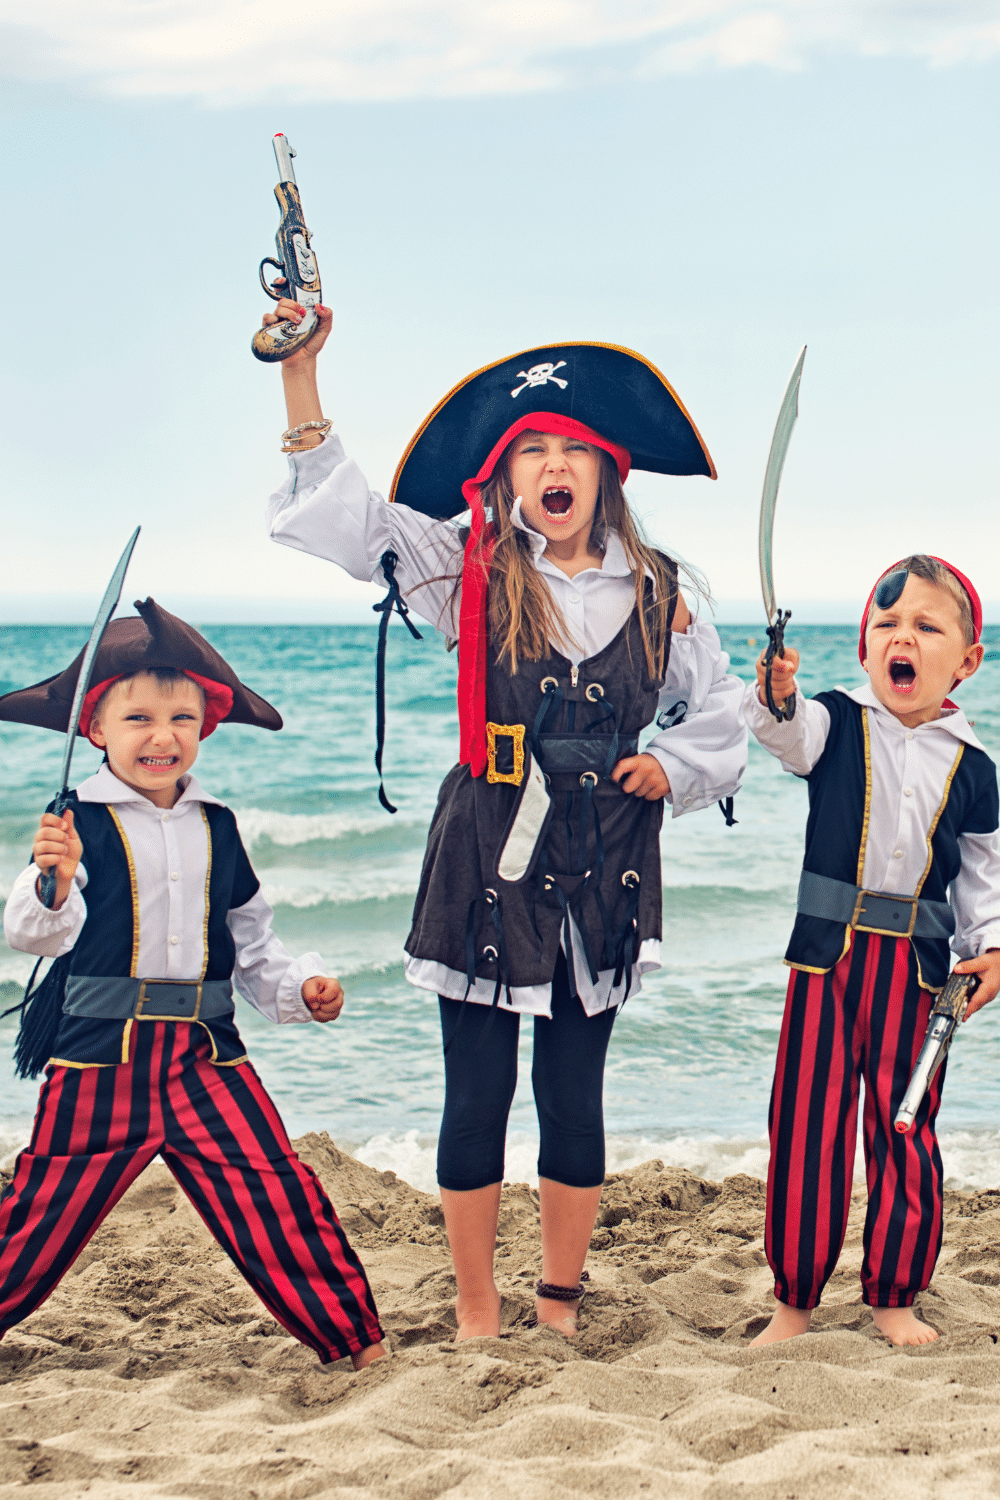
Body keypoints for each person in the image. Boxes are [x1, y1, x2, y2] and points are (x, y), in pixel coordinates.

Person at [260, 298, 747, 1341]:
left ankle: (559, 1303)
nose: (552, 465)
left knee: (573, 1091)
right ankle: (478, 1308)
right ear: (504, 473)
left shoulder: (663, 594)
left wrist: (670, 765)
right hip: (485, 845)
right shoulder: (465, 566)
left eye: (573, 448)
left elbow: (718, 710)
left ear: (607, 470)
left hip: (607, 851)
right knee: (476, 1091)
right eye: (531, 450)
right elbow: (345, 522)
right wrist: (301, 374)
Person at [0, 599, 386, 1369]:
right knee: (39, 1217)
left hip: (207, 1057)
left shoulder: (219, 825)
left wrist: (303, 987)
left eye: (181, 719)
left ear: (204, 729)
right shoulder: (74, 823)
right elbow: (37, 932)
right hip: (100, 1058)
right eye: (138, 719)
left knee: (276, 1193)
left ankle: (355, 1342)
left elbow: (252, 944)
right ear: (96, 730)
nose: (162, 735)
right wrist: (53, 880)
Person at [744, 555, 1000, 1347]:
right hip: (827, 957)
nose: (903, 637)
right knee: (806, 1120)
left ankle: (894, 1294)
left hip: (921, 973)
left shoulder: (975, 767)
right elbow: (782, 734)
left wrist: (989, 950)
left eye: (926, 626)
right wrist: (776, 691)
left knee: (905, 1121)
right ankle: (796, 1297)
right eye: (887, 623)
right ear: (863, 650)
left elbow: (983, 879)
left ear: (965, 659)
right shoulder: (832, 721)